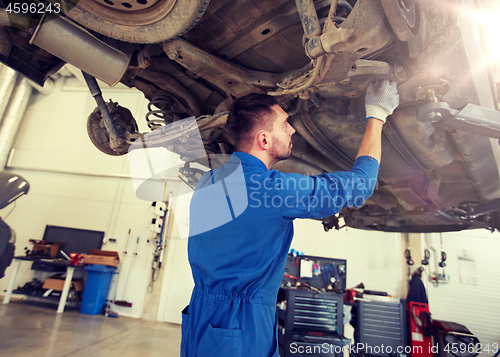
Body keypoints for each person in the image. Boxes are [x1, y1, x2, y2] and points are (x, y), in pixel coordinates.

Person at [181, 79, 399, 357]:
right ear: (264, 139)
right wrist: (377, 114)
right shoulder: (272, 189)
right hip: (239, 325)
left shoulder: (207, 181)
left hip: (200, 315)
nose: (293, 129)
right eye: (285, 124)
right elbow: (362, 184)